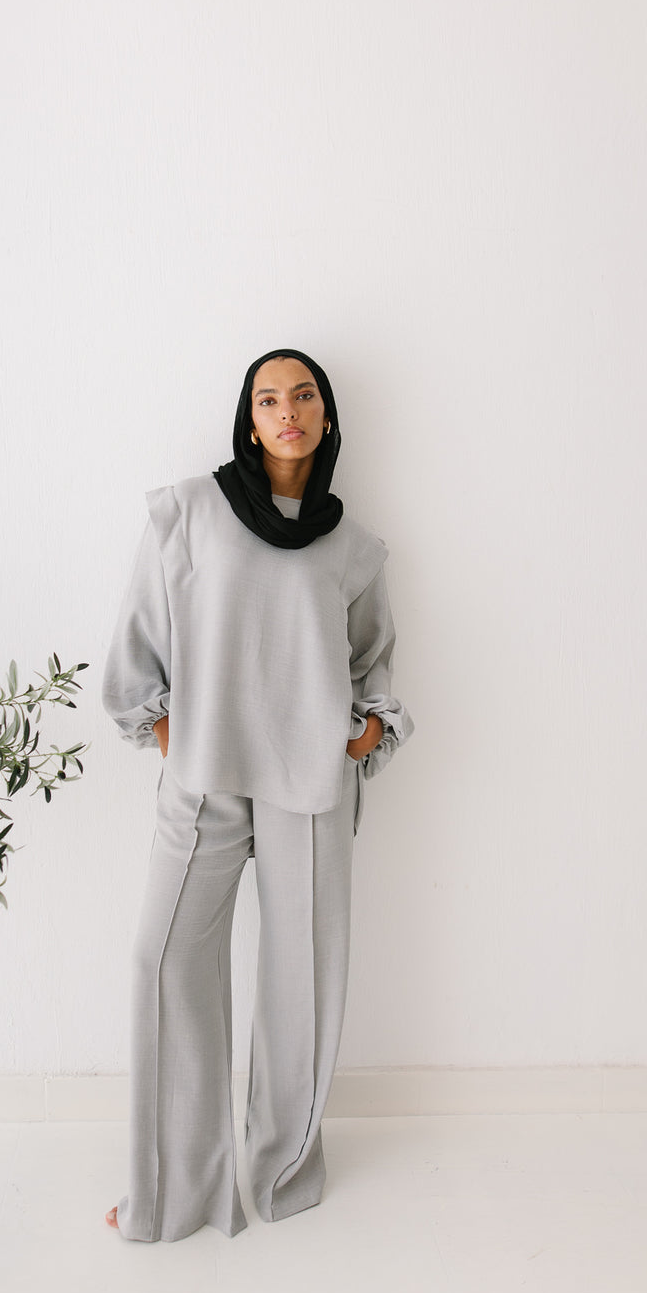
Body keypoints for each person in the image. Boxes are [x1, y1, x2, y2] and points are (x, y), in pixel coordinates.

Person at [100, 347, 412, 1242]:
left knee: (300, 982)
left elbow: (372, 663)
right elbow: (137, 649)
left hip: (309, 787)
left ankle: (282, 1176)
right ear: (248, 418)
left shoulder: (352, 548)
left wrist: (363, 734)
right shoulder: (190, 512)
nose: (287, 412)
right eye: (269, 399)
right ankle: (172, 1195)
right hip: (205, 778)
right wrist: (179, 741)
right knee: (164, 961)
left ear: (325, 416)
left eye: (303, 396)